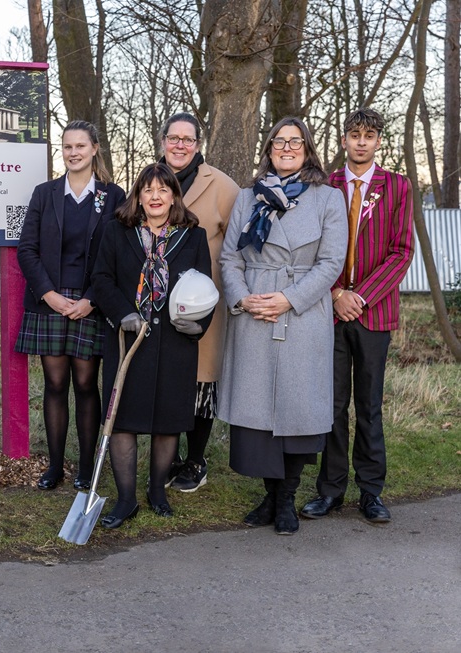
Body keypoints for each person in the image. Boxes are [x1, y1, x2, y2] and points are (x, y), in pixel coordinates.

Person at [218, 117, 347, 536]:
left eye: (295, 142)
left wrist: (289, 299)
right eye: (279, 141)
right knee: (259, 415)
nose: (287, 148)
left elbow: (331, 263)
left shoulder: (328, 199)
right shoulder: (247, 197)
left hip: (302, 313)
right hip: (255, 310)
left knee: (296, 412)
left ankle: (287, 498)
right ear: (269, 149)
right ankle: (269, 495)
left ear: (308, 149)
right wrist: (241, 298)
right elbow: (229, 259)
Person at [301, 109, 414, 524]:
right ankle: (330, 490)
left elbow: (401, 252)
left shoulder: (397, 186)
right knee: (330, 405)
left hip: (374, 312)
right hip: (328, 312)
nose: (361, 142)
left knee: (368, 406)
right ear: (344, 140)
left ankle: (370, 491)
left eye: (369, 135)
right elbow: (311, 250)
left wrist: (359, 296)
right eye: (354, 135)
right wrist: (333, 294)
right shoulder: (324, 186)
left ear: (378, 141)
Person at [91, 163, 213, 526]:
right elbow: (101, 279)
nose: (156, 196)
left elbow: (205, 287)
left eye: (163, 189)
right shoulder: (117, 232)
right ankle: (126, 499)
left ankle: (157, 490)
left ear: (174, 195)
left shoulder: (193, 236)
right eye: (148, 190)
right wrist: (121, 313)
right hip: (128, 341)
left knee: (167, 423)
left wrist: (197, 326)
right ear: (139, 197)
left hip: (176, 343)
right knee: (123, 421)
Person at [15, 120, 126, 491]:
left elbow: (119, 255)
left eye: (80, 146)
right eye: (67, 147)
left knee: (85, 384)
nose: (73, 153)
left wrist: (92, 300)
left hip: (90, 302)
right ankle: (56, 467)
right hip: (50, 302)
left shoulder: (112, 197)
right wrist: (49, 294)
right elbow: (27, 249)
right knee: (56, 383)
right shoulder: (45, 194)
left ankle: (85, 468)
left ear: (95, 149)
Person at [156, 112, 239, 493]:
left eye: (188, 139)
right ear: (163, 141)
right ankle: (166, 457)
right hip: (156, 301)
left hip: (203, 302)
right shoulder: (150, 182)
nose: (180, 145)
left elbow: (239, 245)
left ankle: (196, 459)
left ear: (198, 144)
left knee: (201, 383)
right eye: (173, 138)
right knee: (166, 379)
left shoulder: (221, 185)